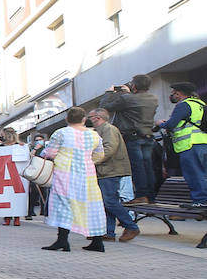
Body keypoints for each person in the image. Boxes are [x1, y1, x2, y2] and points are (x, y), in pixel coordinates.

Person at [39, 107, 107, 252]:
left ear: (67, 119)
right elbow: (100, 155)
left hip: (65, 173)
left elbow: (50, 152)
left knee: (64, 205)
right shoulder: (94, 135)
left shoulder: (61, 133)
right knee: (92, 206)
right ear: (84, 120)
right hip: (88, 174)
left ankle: (62, 240)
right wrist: (88, 161)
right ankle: (97, 241)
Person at [99, 75, 158, 204]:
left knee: (137, 167)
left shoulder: (127, 99)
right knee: (148, 167)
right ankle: (151, 196)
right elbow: (134, 102)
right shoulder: (153, 99)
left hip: (133, 137)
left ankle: (142, 194)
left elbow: (104, 107)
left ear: (134, 86)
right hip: (148, 137)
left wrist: (109, 92)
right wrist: (127, 94)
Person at [88, 109, 140, 242]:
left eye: (91, 117)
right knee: (106, 202)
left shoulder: (108, 129)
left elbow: (109, 148)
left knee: (109, 201)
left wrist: (91, 162)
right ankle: (108, 232)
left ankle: (131, 226)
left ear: (98, 118)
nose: (89, 119)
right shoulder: (101, 130)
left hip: (110, 170)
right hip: (105, 170)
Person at [155, 82, 207, 207]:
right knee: (203, 173)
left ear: (178, 93)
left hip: (190, 144)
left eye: (173, 93)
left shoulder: (183, 105)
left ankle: (200, 201)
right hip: (203, 142)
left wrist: (159, 124)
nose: (172, 95)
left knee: (194, 174)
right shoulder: (201, 104)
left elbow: (171, 124)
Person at [0, 127, 26, 227]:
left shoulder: (19, 146)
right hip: (3, 175)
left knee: (16, 195)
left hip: (15, 175)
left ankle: (17, 217)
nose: (1, 136)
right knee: (6, 195)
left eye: (2, 134)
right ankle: (7, 217)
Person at [25, 131, 49, 219]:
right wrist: (35, 149)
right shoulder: (32, 148)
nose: (38, 142)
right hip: (35, 173)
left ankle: (44, 210)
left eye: (40, 140)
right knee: (34, 192)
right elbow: (30, 157)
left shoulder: (47, 148)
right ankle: (30, 212)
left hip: (44, 172)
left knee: (44, 192)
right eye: (36, 140)